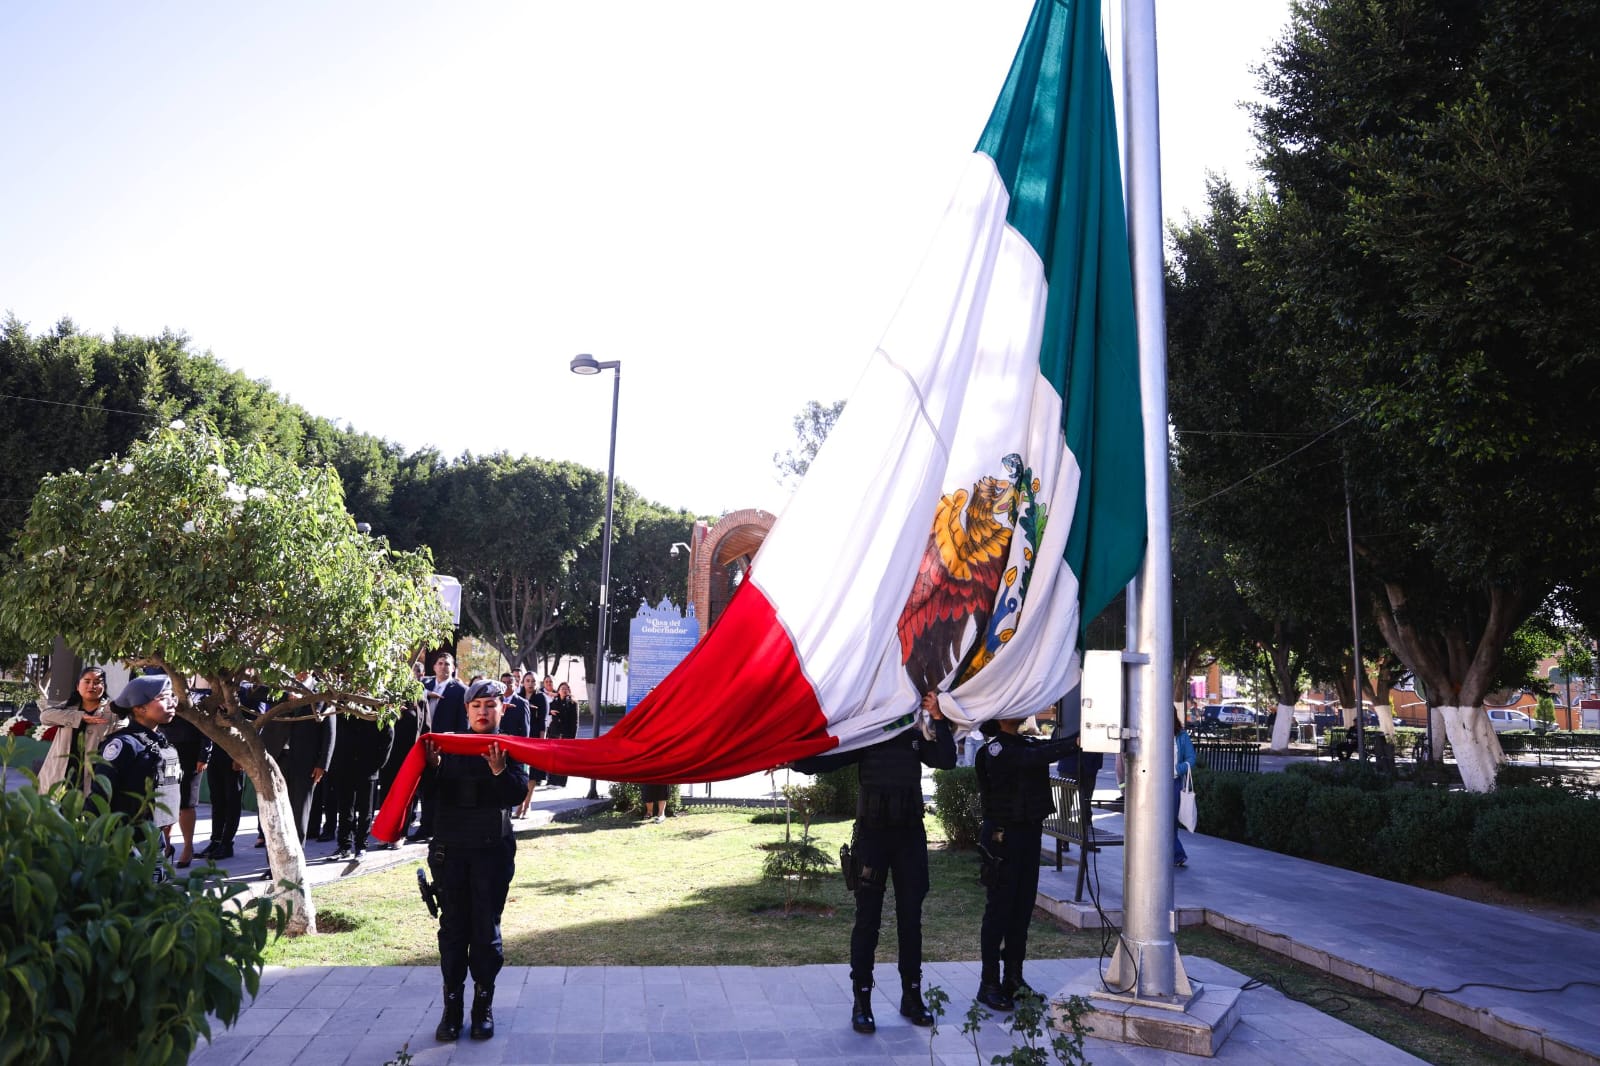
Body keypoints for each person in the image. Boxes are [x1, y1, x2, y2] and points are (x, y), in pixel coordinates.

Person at [791, 691, 955, 1035]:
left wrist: (938, 717)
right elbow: (822, 760)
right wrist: (785, 753)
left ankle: (912, 996)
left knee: (911, 921)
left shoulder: (913, 733)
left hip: (909, 836)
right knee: (867, 921)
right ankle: (861, 1001)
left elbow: (945, 759)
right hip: (873, 837)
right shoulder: (867, 734)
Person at [426, 679, 528, 1043]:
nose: (483, 712)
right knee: (453, 931)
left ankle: (482, 1005)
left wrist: (499, 770)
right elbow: (429, 798)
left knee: (485, 933)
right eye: (477, 705)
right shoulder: (449, 746)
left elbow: (517, 793)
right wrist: (432, 767)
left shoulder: (510, 747)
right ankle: (451, 1008)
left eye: (490, 705)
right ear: (467, 710)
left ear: (502, 709)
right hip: (450, 852)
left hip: (490, 852)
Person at [974, 715, 1081, 1010]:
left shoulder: (1024, 744)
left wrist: (1080, 737)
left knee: (1021, 909)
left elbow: (1043, 749)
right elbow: (1034, 757)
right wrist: (1075, 743)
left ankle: (1013, 979)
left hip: (1027, 836)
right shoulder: (995, 750)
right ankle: (989, 983)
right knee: (999, 911)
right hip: (1002, 840)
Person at [93, 675, 181, 850]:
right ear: (139, 708)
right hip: (125, 841)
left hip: (154, 838)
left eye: (172, 696)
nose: (172, 703)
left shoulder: (160, 742)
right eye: (163, 698)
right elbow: (100, 795)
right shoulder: (123, 745)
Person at [36, 666, 116, 796]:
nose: (92, 686)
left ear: (104, 687)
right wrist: (79, 717)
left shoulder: (112, 712)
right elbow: (45, 717)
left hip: (92, 776)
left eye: (97, 682)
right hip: (61, 774)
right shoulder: (68, 706)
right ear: (78, 686)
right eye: (87, 681)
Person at [332, 710, 394, 860]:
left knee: (365, 809)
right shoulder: (344, 706)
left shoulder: (379, 709)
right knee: (345, 808)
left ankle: (361, 846)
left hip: (368, 767)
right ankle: (344, 846)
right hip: (345, 765)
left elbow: (388, 737)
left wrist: (377, 765)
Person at [162, 696, 213, 868]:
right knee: (166, 800)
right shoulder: (164, 694)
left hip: (191, 754)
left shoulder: (199, 698)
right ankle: (166, 844)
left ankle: (188, 846)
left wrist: (204, 755)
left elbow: (207, 730)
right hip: (166, 751)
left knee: (186, 803)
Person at [516, 672, 549, 808]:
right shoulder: (518, 697)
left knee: (532, 774)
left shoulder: (541, 698)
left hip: (535, 739)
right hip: (520, 739)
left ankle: (526, 805)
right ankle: (519, 803)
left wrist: (542, 743)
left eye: (533, 681)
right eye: (527, 681)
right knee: (520, 772)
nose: (530, 684)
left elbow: (543, 722)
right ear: (523, 682)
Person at [544, 683, 578, 789]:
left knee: (563, 759)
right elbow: (545, 714)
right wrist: (549, 712)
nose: (564, 690)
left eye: (566, 689)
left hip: (566, 734)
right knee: (552, 757)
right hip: (554, 733)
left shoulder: (572, 703)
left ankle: (561, 782)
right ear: (558, 691)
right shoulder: (553, 702)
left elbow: (575, 721)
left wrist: (572, 738)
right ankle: (551, 780)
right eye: (562, 688)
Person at [1175, 714, 1196, 868]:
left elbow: (1191, 758)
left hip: (1173, 783)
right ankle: (1176, 854)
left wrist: (1177, 769)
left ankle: (1177, 854)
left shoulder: (1182, 736)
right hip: (1152, 783)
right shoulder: (1152, 733)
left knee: (1169, 821)